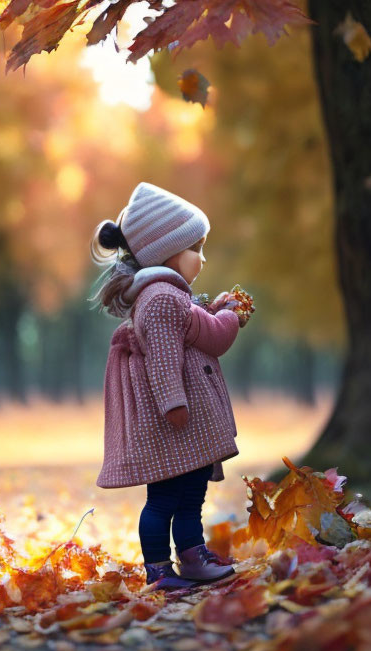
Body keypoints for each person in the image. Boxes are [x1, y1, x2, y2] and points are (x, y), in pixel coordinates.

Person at [88, 182, 248, 590]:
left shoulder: (169, 296)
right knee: (163, 500)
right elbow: (171, 356)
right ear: (166, 252)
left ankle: (192, 555)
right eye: (196, 248)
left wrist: (217, 310)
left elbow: (195, 329)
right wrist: (173, 403)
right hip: (174, 424)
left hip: (184, 428)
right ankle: (158, 569)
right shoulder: (160, 298)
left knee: (191, 494)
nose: (203, 258)